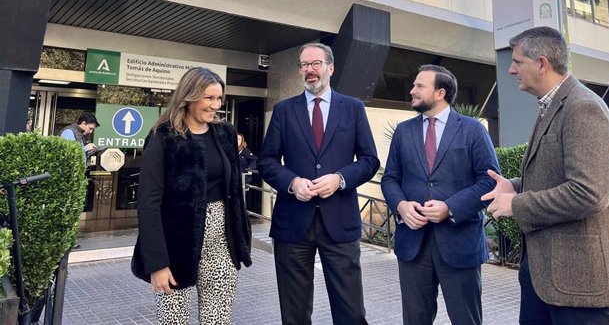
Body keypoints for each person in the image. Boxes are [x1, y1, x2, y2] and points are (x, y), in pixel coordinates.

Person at [481, 26, 609, 325]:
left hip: (578, 280)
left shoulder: (583, 108)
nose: (511, 70)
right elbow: (556, 176)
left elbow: (588, 193)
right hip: (546, 274)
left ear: (542, 64)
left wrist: (516, 204)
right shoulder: (553, 105)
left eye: (517, 62)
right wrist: (514, 187)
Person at [258, 42, 380, 325]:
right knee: (294, 312)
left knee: (350, 310)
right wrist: (292, 183)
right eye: (304, 65)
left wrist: (340, 179)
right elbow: (266, 161)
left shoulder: (353, 108)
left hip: (339, 221)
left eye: (316, 64)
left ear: (330, 68)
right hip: (293, 222)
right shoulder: (284, 110)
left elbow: (369, 160)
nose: (310, 71)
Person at [131, 67, 252, 325]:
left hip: (221, 247)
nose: (216, 105)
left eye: (219, 99)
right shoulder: (162, 137)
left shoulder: (226, 133)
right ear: (189, 96)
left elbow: (234, 193)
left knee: (218, 321)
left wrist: (241, 241)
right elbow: (148, 201)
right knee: (173, 321)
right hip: (175, 247)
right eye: (209, 98)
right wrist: (157, 263)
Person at [381, 65, 500, 325]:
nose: (412, 90)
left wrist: (450, 207)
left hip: (460, 244)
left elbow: (489, 182)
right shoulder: (403, 132)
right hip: (413, 245)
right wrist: (401, 206)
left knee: (465, 320)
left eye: (419, 86)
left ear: (440, 93)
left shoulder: (472, 130)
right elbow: (390, 178)